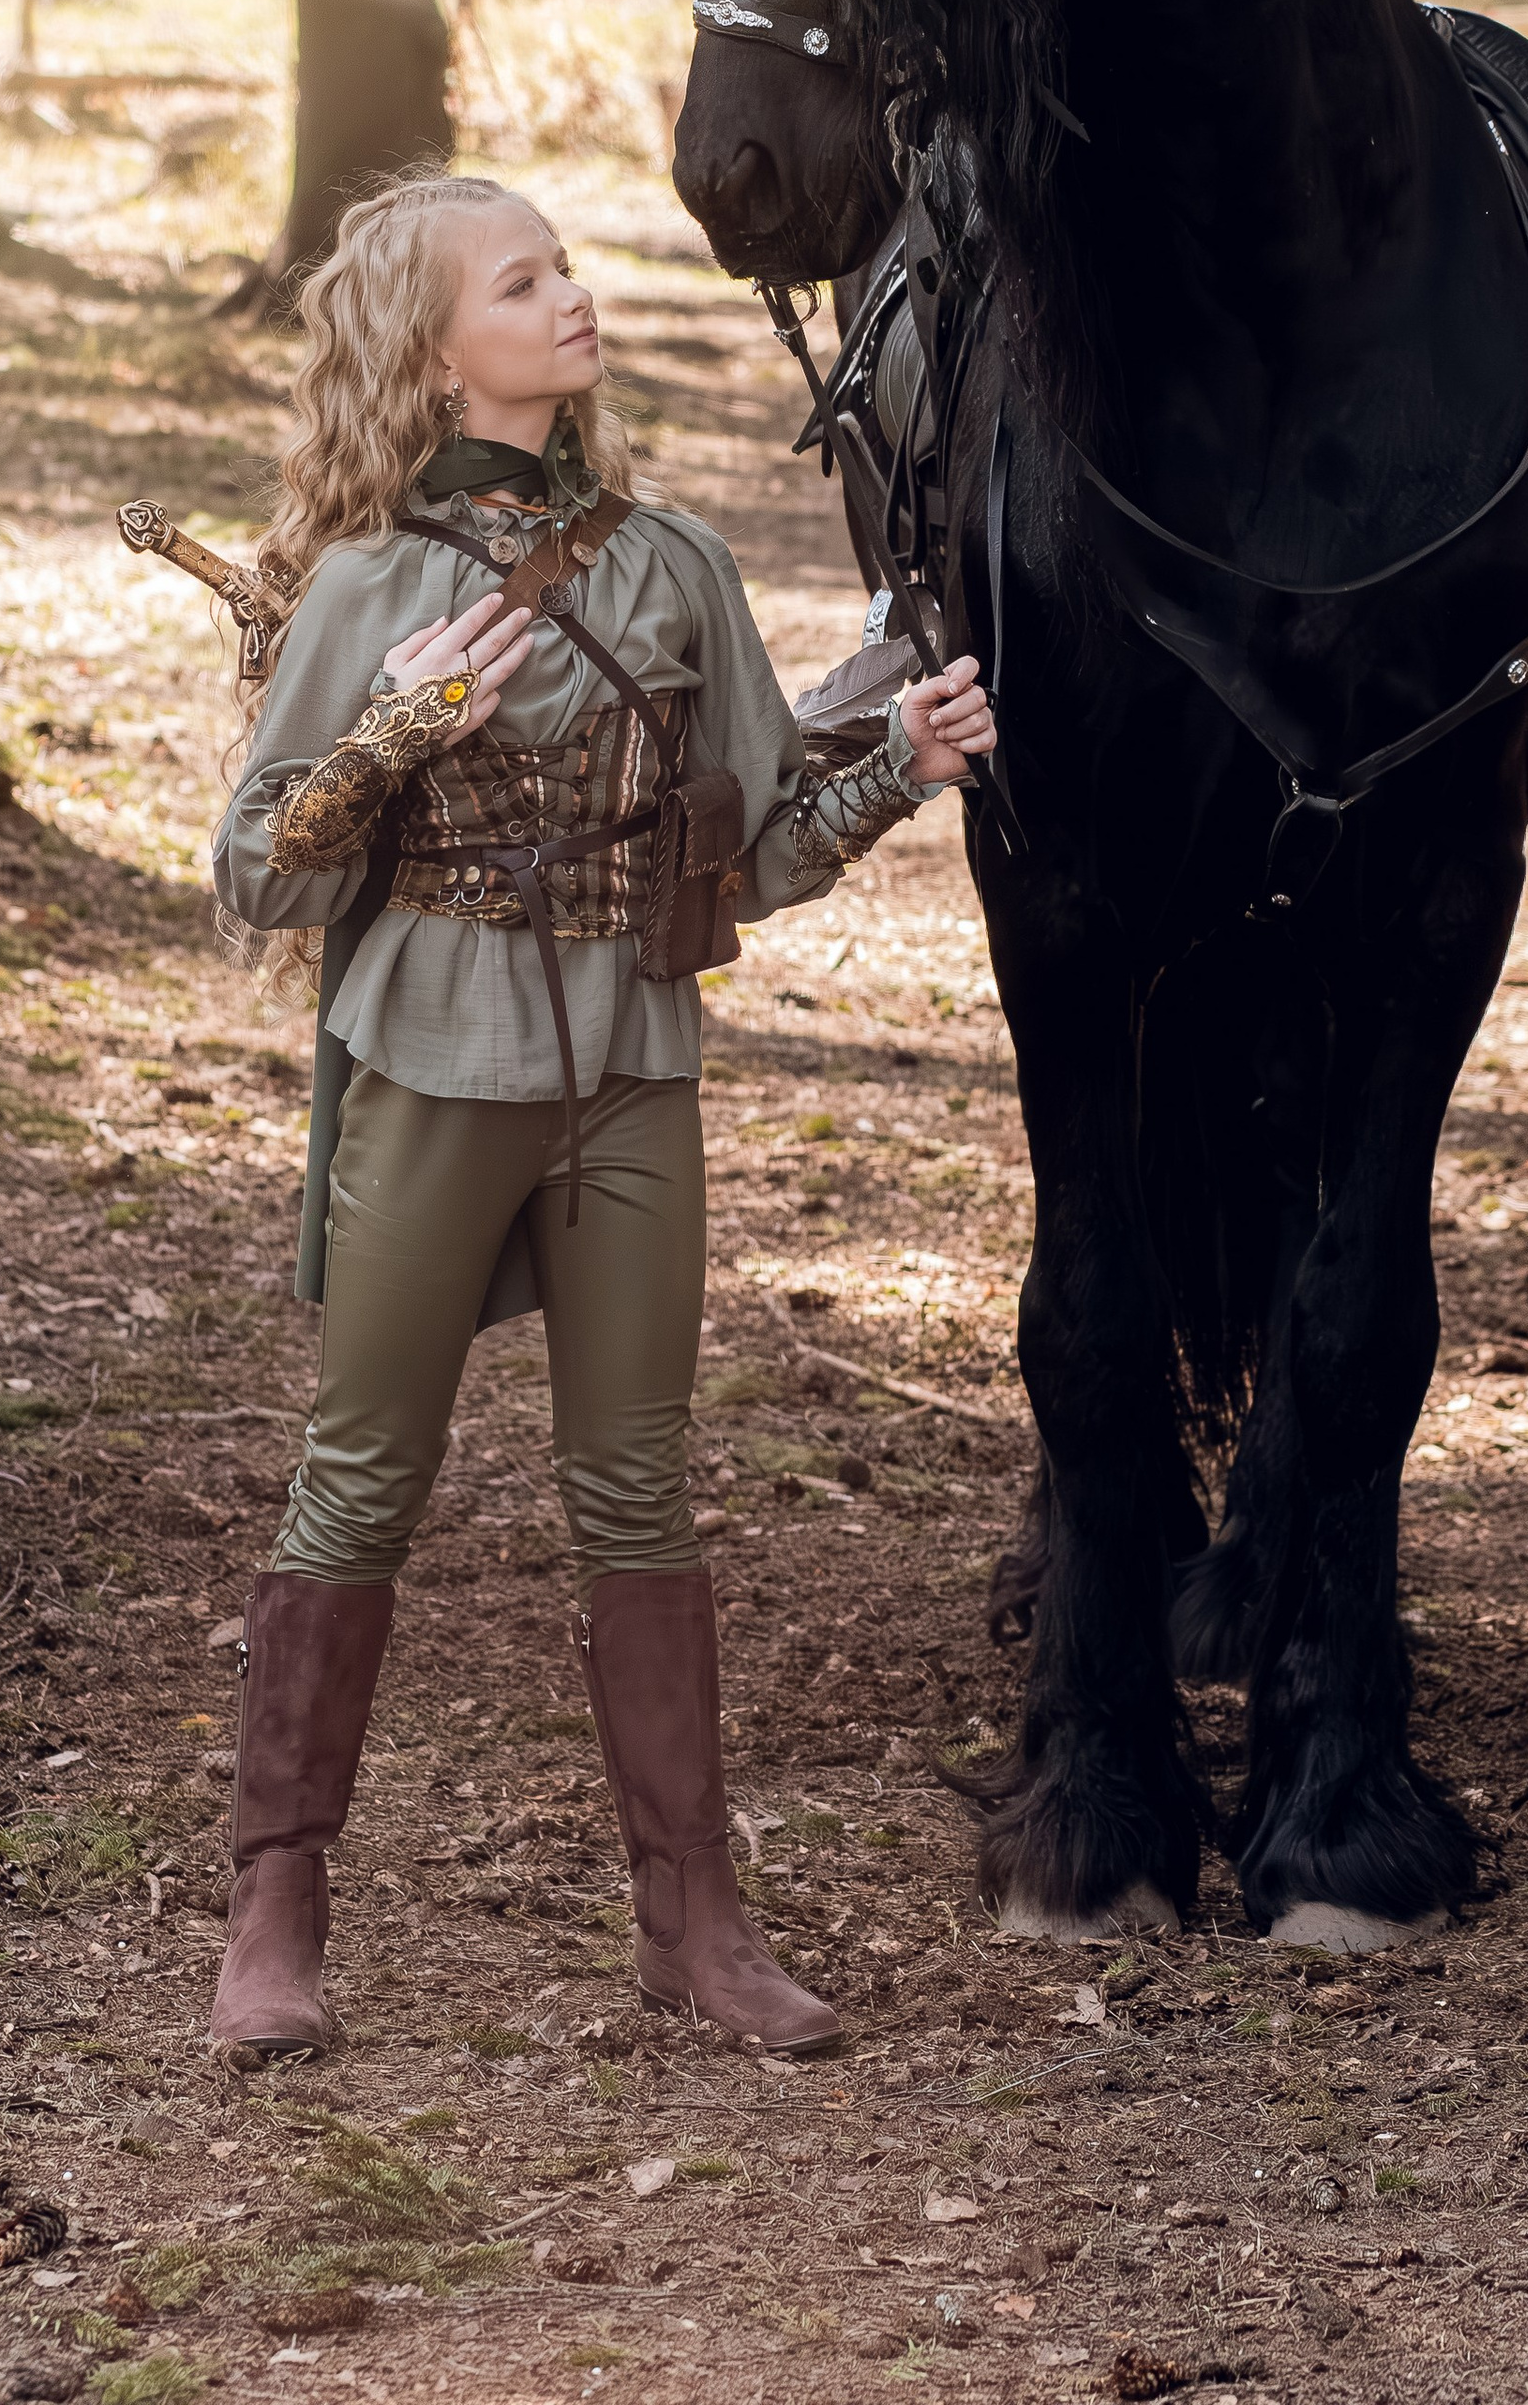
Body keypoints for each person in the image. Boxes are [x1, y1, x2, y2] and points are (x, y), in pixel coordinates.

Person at [208, 170, 995, 2063]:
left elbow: (765, 849)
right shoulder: (371, 588)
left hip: (634, 1068)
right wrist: (396, 733)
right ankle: (273, 1916)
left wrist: (898, 766)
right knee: (360, 1482)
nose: (572, 299)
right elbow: (258, 874)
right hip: (430, 1068)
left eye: (567, 269)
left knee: (639, 1487)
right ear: (432, 346)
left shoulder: (671, 565)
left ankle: (697, 1925)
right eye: (523, 281)